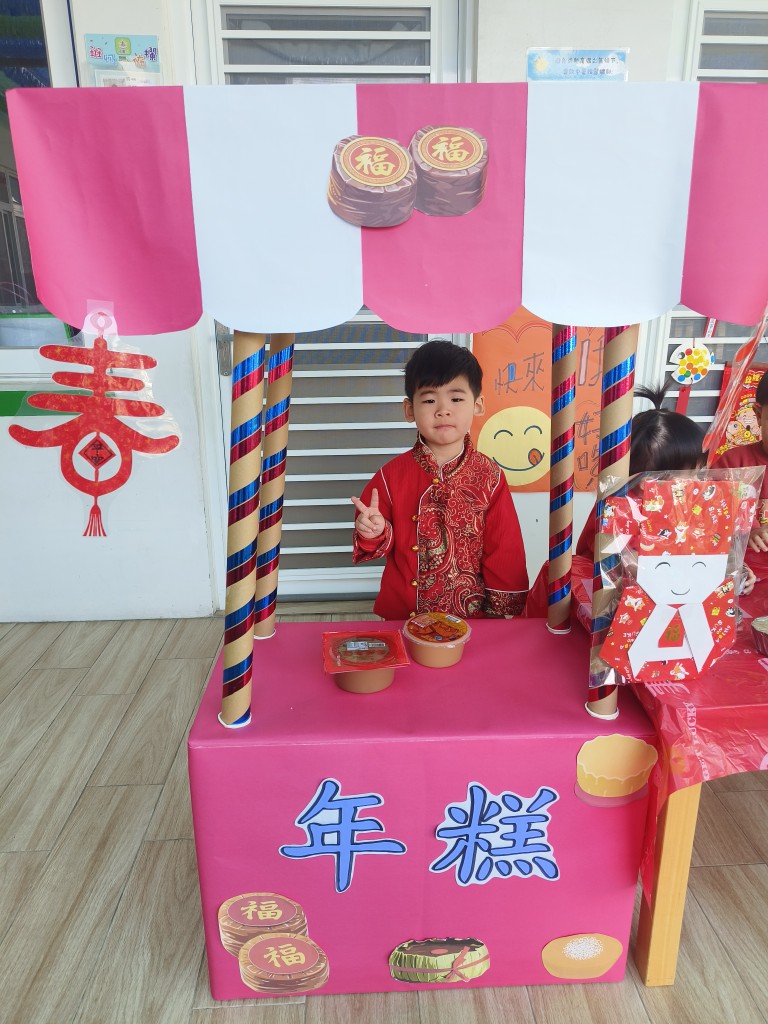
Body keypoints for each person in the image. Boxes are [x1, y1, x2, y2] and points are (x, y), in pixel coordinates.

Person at [351, 338, 529, 619]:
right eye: (429, 400)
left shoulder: (490, 476)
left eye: (456, 399)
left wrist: (502, 615)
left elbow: (504, 548)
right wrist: (372, 531)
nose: (443, 409)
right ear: (409, 410)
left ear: (478, 404)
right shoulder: (389, 476)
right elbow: (374, 537)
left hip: (472, 620)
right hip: (405, 617)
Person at [712, 369, 768, 583]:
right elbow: (709, 525)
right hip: (740, 577)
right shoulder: (732, 464)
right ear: (758, 415)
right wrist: (748, 532)